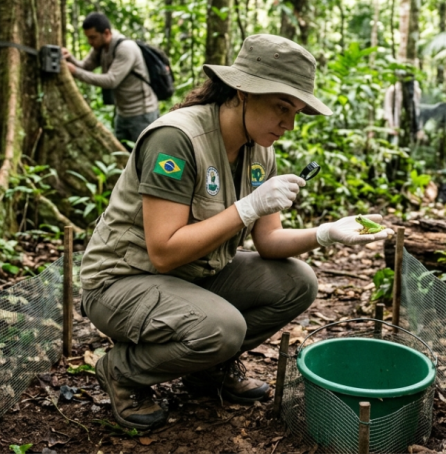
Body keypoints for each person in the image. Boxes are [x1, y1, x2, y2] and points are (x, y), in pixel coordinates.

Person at [79, 34, 394, 431]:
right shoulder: (175, 139)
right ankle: (122, 371)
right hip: (123, 281)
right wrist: (247, 207)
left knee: (298, 282)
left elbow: (269, 241)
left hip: (190, 276)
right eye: (282, 107)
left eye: (296, 111)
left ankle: (207, 372)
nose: (289, 124)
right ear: (243, 92)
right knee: (223, 328)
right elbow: (163, 251)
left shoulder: (260, 148)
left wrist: (327, 233)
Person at [62, 12, 159, 146]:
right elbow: (85, 66)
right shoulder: (100, 47)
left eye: (93, 37)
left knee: (144, 157)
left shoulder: (125, 48)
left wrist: (75, 71)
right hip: (122, 113)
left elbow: (111, 81)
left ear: (106, 33)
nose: (90, 42)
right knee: (124, 157)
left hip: (142, 114)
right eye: (88, 38)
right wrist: (69, 58)